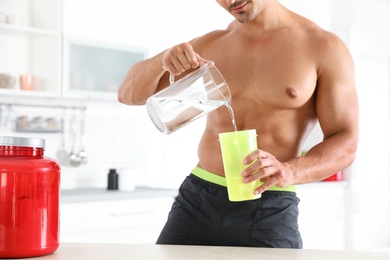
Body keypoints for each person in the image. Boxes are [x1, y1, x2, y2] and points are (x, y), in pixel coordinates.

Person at [118, 0, 359, 248]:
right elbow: (127, 94)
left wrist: (290, 171)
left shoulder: (323, 47)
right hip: (198, 200)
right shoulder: (210, 45)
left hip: (269, 207)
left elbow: (346, 141)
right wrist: (162, 60)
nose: (230, 1)